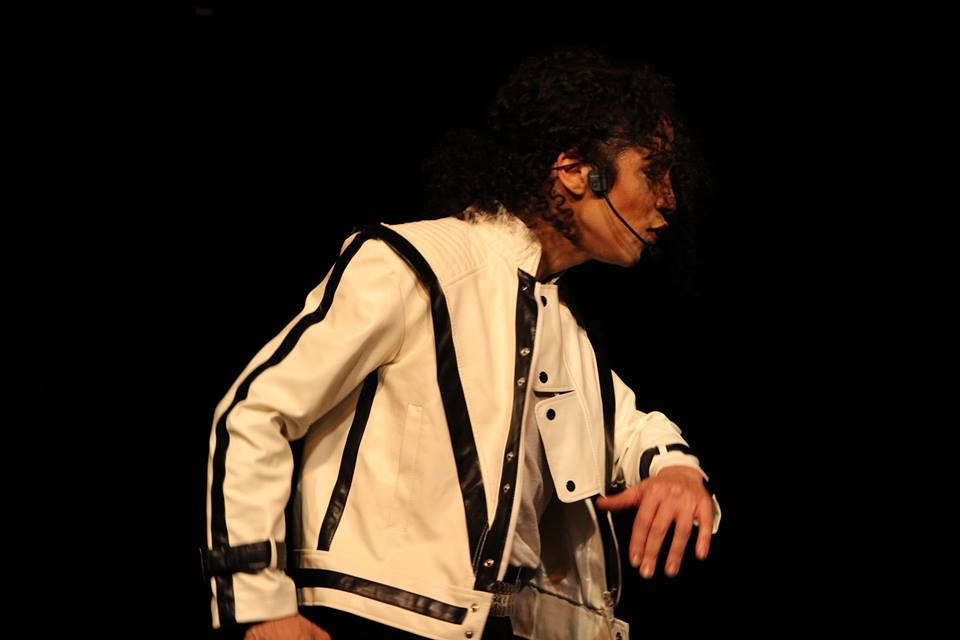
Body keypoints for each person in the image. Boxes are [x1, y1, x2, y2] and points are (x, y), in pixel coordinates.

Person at [202, 48, 721, 640]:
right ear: (577, 170)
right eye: (653, 171)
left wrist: (679, 471)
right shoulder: (417, 265)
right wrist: (260, 604)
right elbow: (255, 413)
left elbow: (630, 430)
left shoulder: (557, 323)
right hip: (372, 617)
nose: (669, 200)